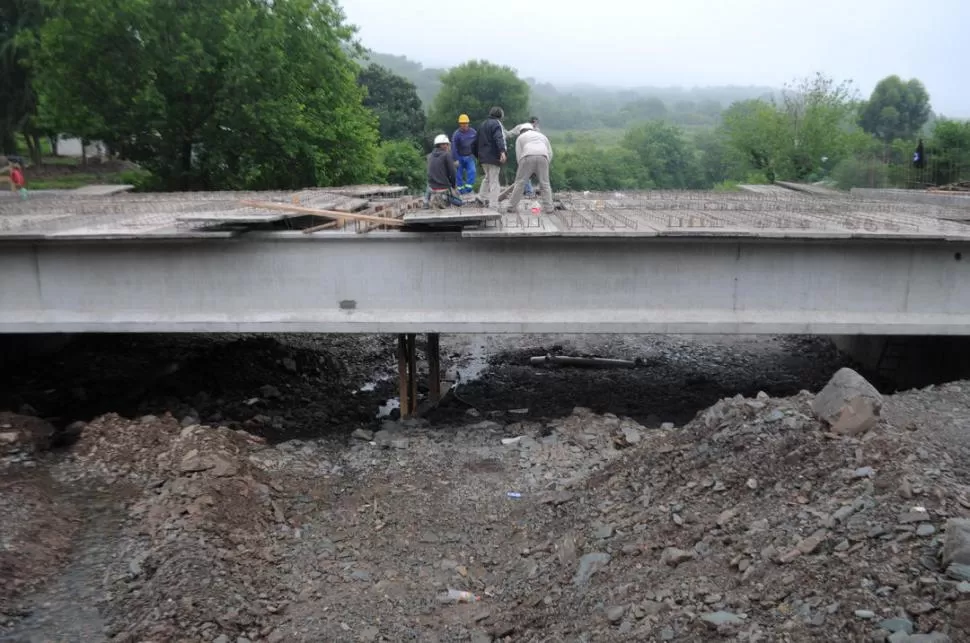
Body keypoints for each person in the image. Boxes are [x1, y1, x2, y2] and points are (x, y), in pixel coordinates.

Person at [506, 123, 554, 214]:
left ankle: (511, 207)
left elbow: (519, 155)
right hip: (543, 157)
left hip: (527, 157)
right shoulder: (542, 136)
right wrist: (545, 165)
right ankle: (549, 208)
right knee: (545, 184)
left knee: (520, 183)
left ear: (521, 131)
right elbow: (550, 153)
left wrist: (524, 170)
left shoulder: (520, 137)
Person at [471, 106, 507, 209]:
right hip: (493, 157)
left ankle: (481, 198)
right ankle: (494, 205)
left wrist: (478, 156)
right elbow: (498, 138)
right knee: (494, 181)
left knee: (488, 178)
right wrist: (502, 152)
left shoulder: (482, 125)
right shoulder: (496, 124)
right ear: (500, 115)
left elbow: (474, 143)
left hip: (483, 158)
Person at [507, 117, 541, 196]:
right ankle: (528, 190)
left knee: (528, 172)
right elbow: (510, 134)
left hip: (532, 152)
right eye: (536, 123)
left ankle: (528, 190)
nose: (536, 125)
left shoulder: (537, 130)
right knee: (526, 172)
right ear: (534, 122)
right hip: (527, 151)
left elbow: (509, 134)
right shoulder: (521, 127)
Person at [426, 134, 462, 209]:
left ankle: (426, 202)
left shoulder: (429, 156)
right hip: (443, 186)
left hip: (431, 187)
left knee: (428, 185)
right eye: (446, 144)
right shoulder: (446, 155)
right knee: (459, 202)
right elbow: (452, 173)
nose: (447, 146)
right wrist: (453, 185)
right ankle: (446, 198)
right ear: (443, 145)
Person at [451, 114, 478, 194]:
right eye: (462, 123)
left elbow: (477, 143)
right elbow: (454, 147)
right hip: (459, 157)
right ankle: (461, 190)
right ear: (460, 124)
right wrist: (455, 159)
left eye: (465, 123)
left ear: (468, 123)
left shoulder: (473, 132)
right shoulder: (456, 134)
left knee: (472, 171)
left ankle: (468, 189)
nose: (464, 125)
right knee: (459, 174)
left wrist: (477, 154)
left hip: (470, 156)